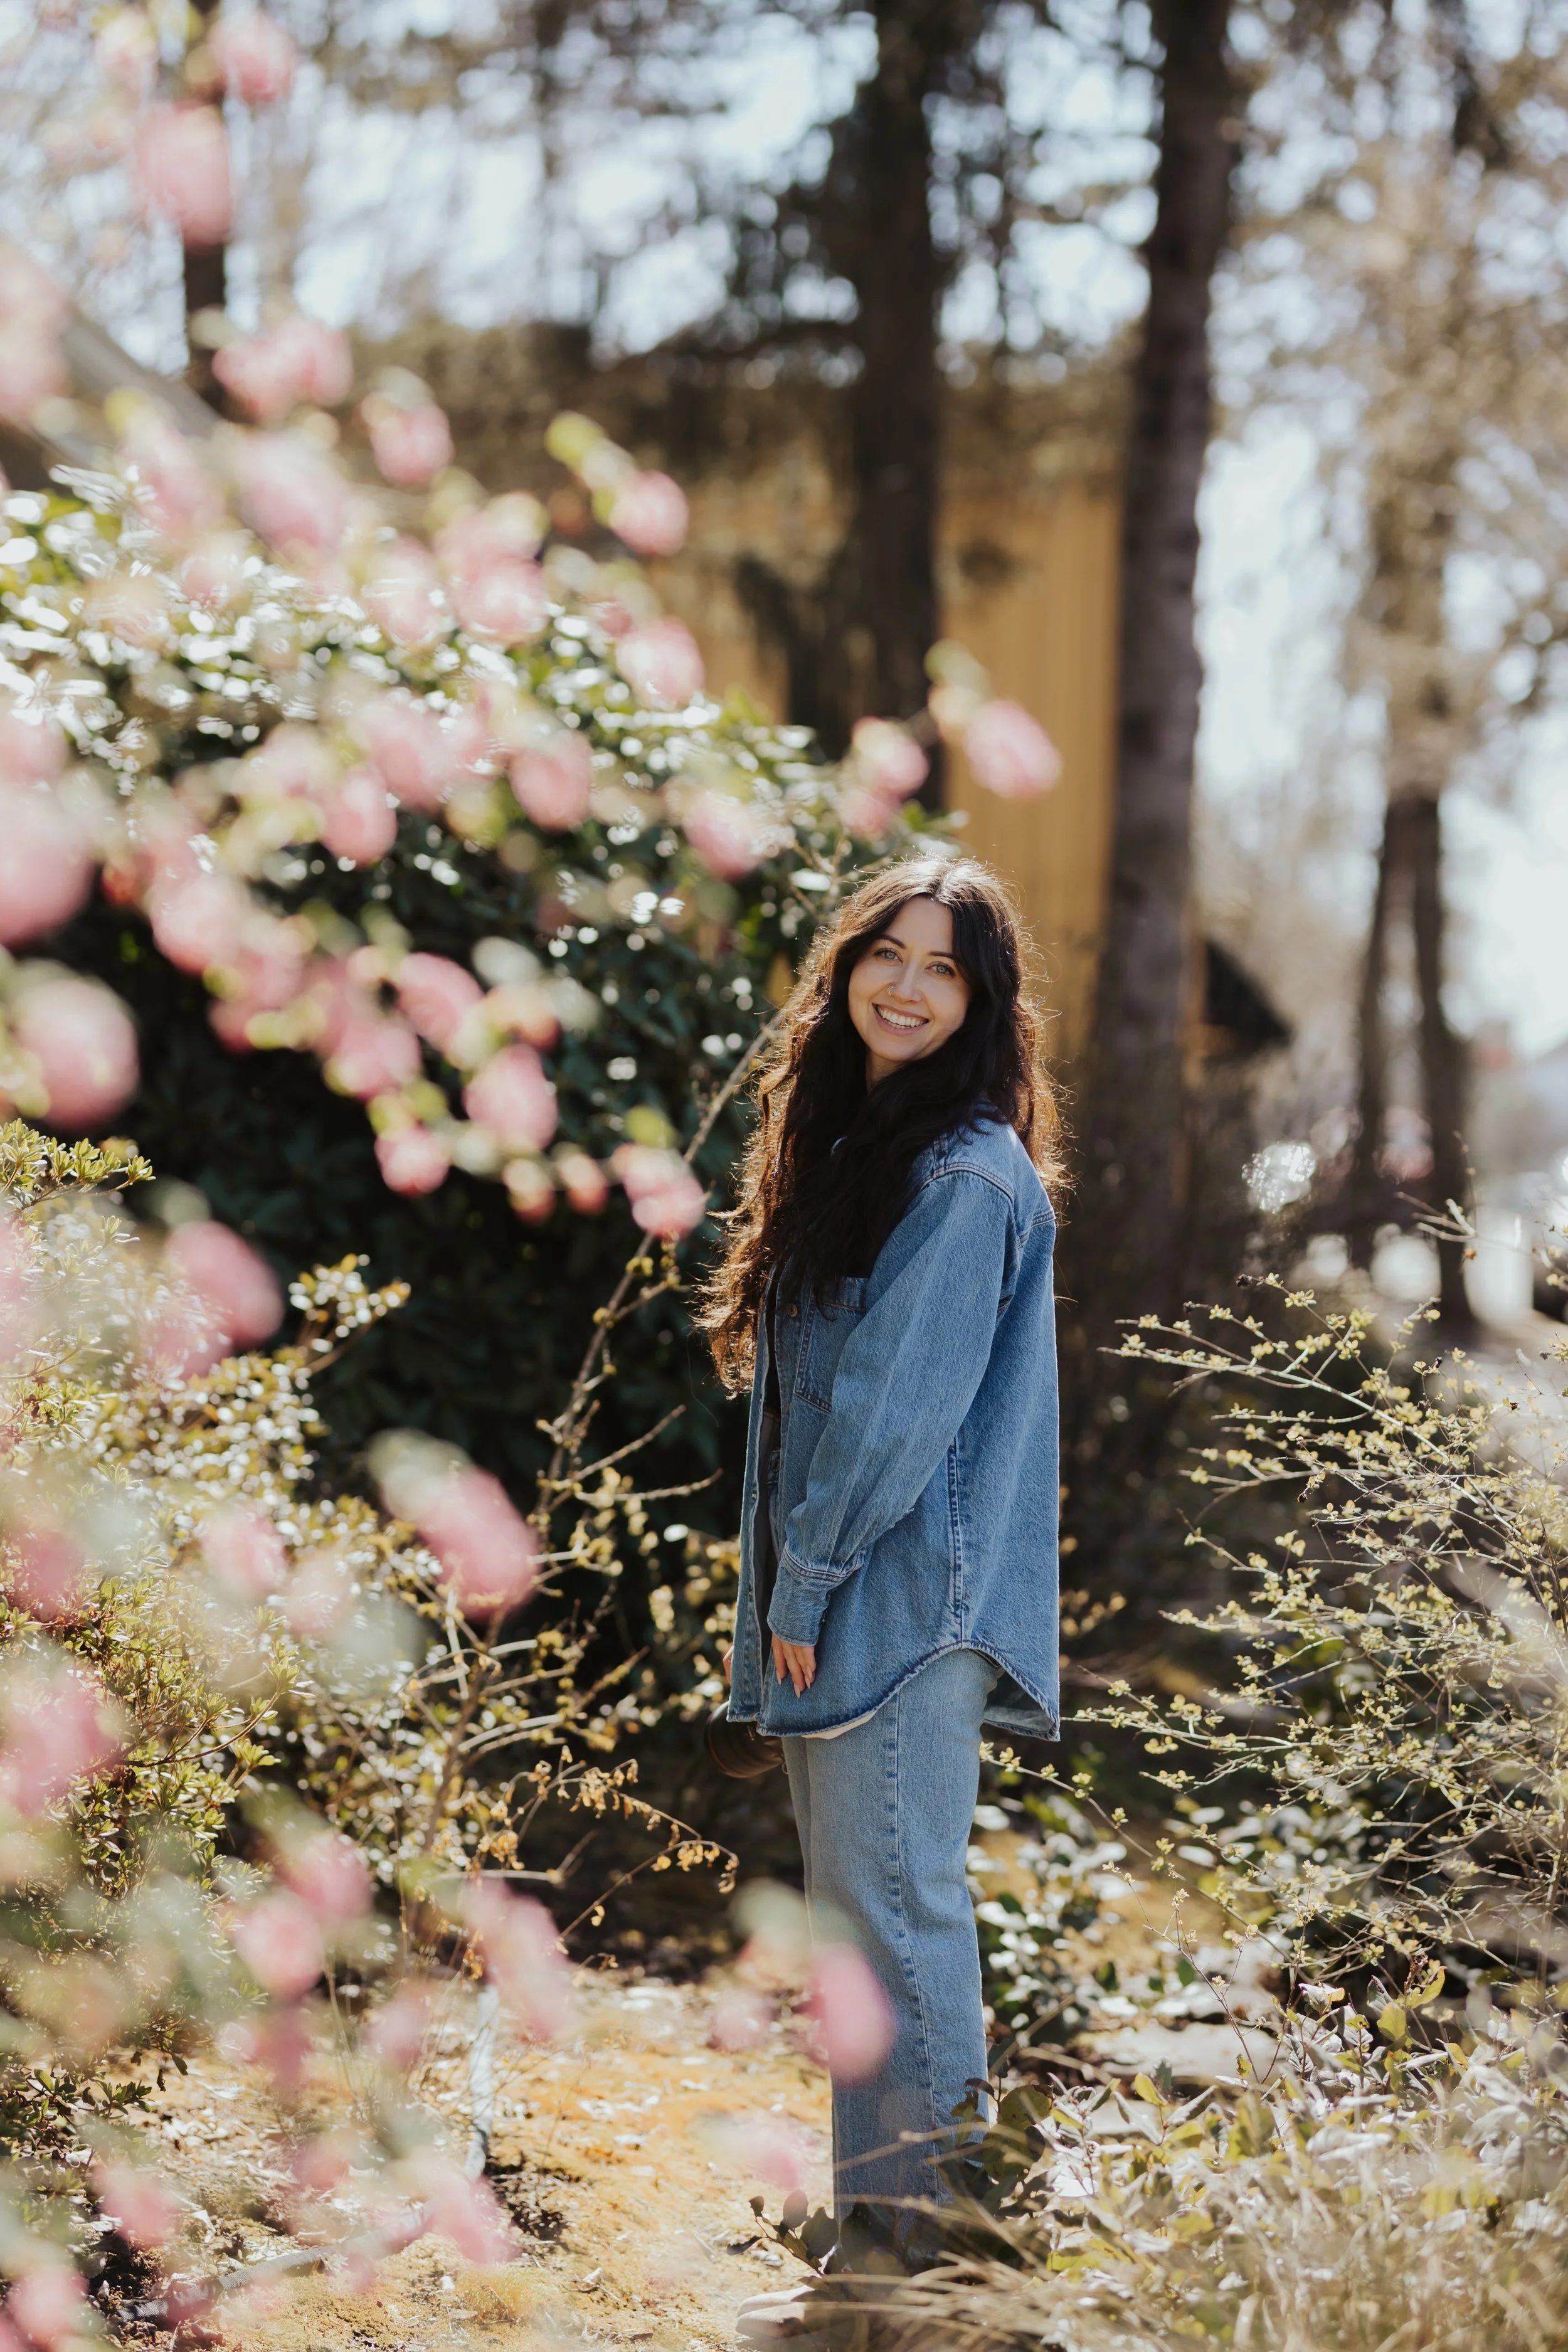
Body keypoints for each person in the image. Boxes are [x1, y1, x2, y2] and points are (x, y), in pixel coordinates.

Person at [700, 854, 1062, 2338]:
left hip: (902, 1597)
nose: (906, 986)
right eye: (886, 956)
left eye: (943, 970)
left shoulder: (966, 1173)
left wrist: (813, 1572)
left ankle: (926, 2244)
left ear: (978, 1005)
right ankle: (883, 2205)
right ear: (847, 969)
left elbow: (894, 1410)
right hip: (865, 1586)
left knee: (897, 1913)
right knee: (864, 1915)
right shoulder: (871, 1145)